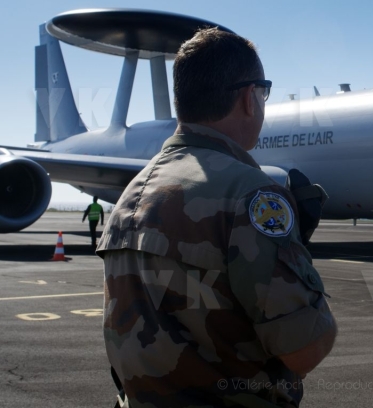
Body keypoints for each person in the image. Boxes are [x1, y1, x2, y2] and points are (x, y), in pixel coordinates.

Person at [97, 28, 336, 407]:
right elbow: (304, 349)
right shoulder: (253, 195)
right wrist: (299, 265)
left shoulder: (133, 191)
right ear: (247, 98)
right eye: (263, 91)